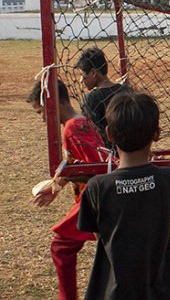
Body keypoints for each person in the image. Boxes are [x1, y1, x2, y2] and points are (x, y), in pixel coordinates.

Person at [78, 91, 170, 299]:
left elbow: (102, 236)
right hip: (158, 291)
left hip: (113, 292)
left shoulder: (97, 187)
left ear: (109, 134)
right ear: (156, 133)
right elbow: (165, 226)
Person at [28, 79, 107, 300]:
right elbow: (77, 164)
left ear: (56, 103)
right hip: (93, 195)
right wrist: (57, 185)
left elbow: (98, 170)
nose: (43, 119)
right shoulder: (79, 122)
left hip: (94, 197)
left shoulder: (73, 127)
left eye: (42, 112)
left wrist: (64, 179)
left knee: (61, 247)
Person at [75, 47, 127, 146]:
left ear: (93, 73)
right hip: (130, 150)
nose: (81, 80)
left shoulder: (92, 98)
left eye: (83, 75)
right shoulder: (126, 90)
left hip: (107, 156)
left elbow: (90, 132)